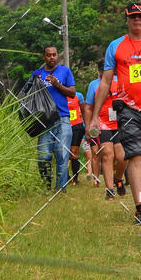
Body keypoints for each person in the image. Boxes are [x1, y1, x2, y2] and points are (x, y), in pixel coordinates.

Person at [88, 0, 141, 226]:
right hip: (128, 110)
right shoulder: (116, 46)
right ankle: (140, 208)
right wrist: (94, 115)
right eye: (132, 16)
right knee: (135, 156)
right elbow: (105, 82)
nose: (137, 20)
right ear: (127, 19)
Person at [31, 45, 76, 191]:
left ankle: (60, 189)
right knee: (44, 157)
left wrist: (57, 84)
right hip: (44, 121)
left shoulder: (65, 71)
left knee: (62, 155)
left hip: (63, 118)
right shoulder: (37, 74)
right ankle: (46, 186)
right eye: (48, 55)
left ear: (57, 56)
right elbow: (29, 95)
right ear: (44, 57)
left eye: (54, 55)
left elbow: (72, 93)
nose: (51, 57)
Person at [84, 61, 124, 200]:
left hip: (119, 122)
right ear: (99, 71)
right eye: (102, 70)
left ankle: (118, 178)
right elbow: (88, 107)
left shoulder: (119, 81)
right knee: (107, 155)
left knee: (122, 157)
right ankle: (110, 190)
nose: (105, 72)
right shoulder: (94, 85)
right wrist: (88, 127)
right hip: (102, 124)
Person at [68, 90, 86, 186]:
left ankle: (75, 178)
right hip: (64, 125)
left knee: (74, 151)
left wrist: (86, 124)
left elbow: (84, 110)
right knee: (64, 152)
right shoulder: (58, 95)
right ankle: (65, 177)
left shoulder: (78, 95)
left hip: (76, 126)